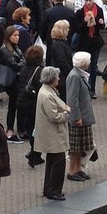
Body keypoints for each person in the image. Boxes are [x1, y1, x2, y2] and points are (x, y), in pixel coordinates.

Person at [34, 66, 70, 201]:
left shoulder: (47, 91)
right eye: (57, 77)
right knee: (58, 163)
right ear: (52, 79)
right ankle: (53, 190)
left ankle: (49, 188)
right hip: (53, 134)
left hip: (51, 133)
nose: (59, 79)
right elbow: (53, 116)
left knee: (52, 161)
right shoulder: (47, 95)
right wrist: (66, 114)